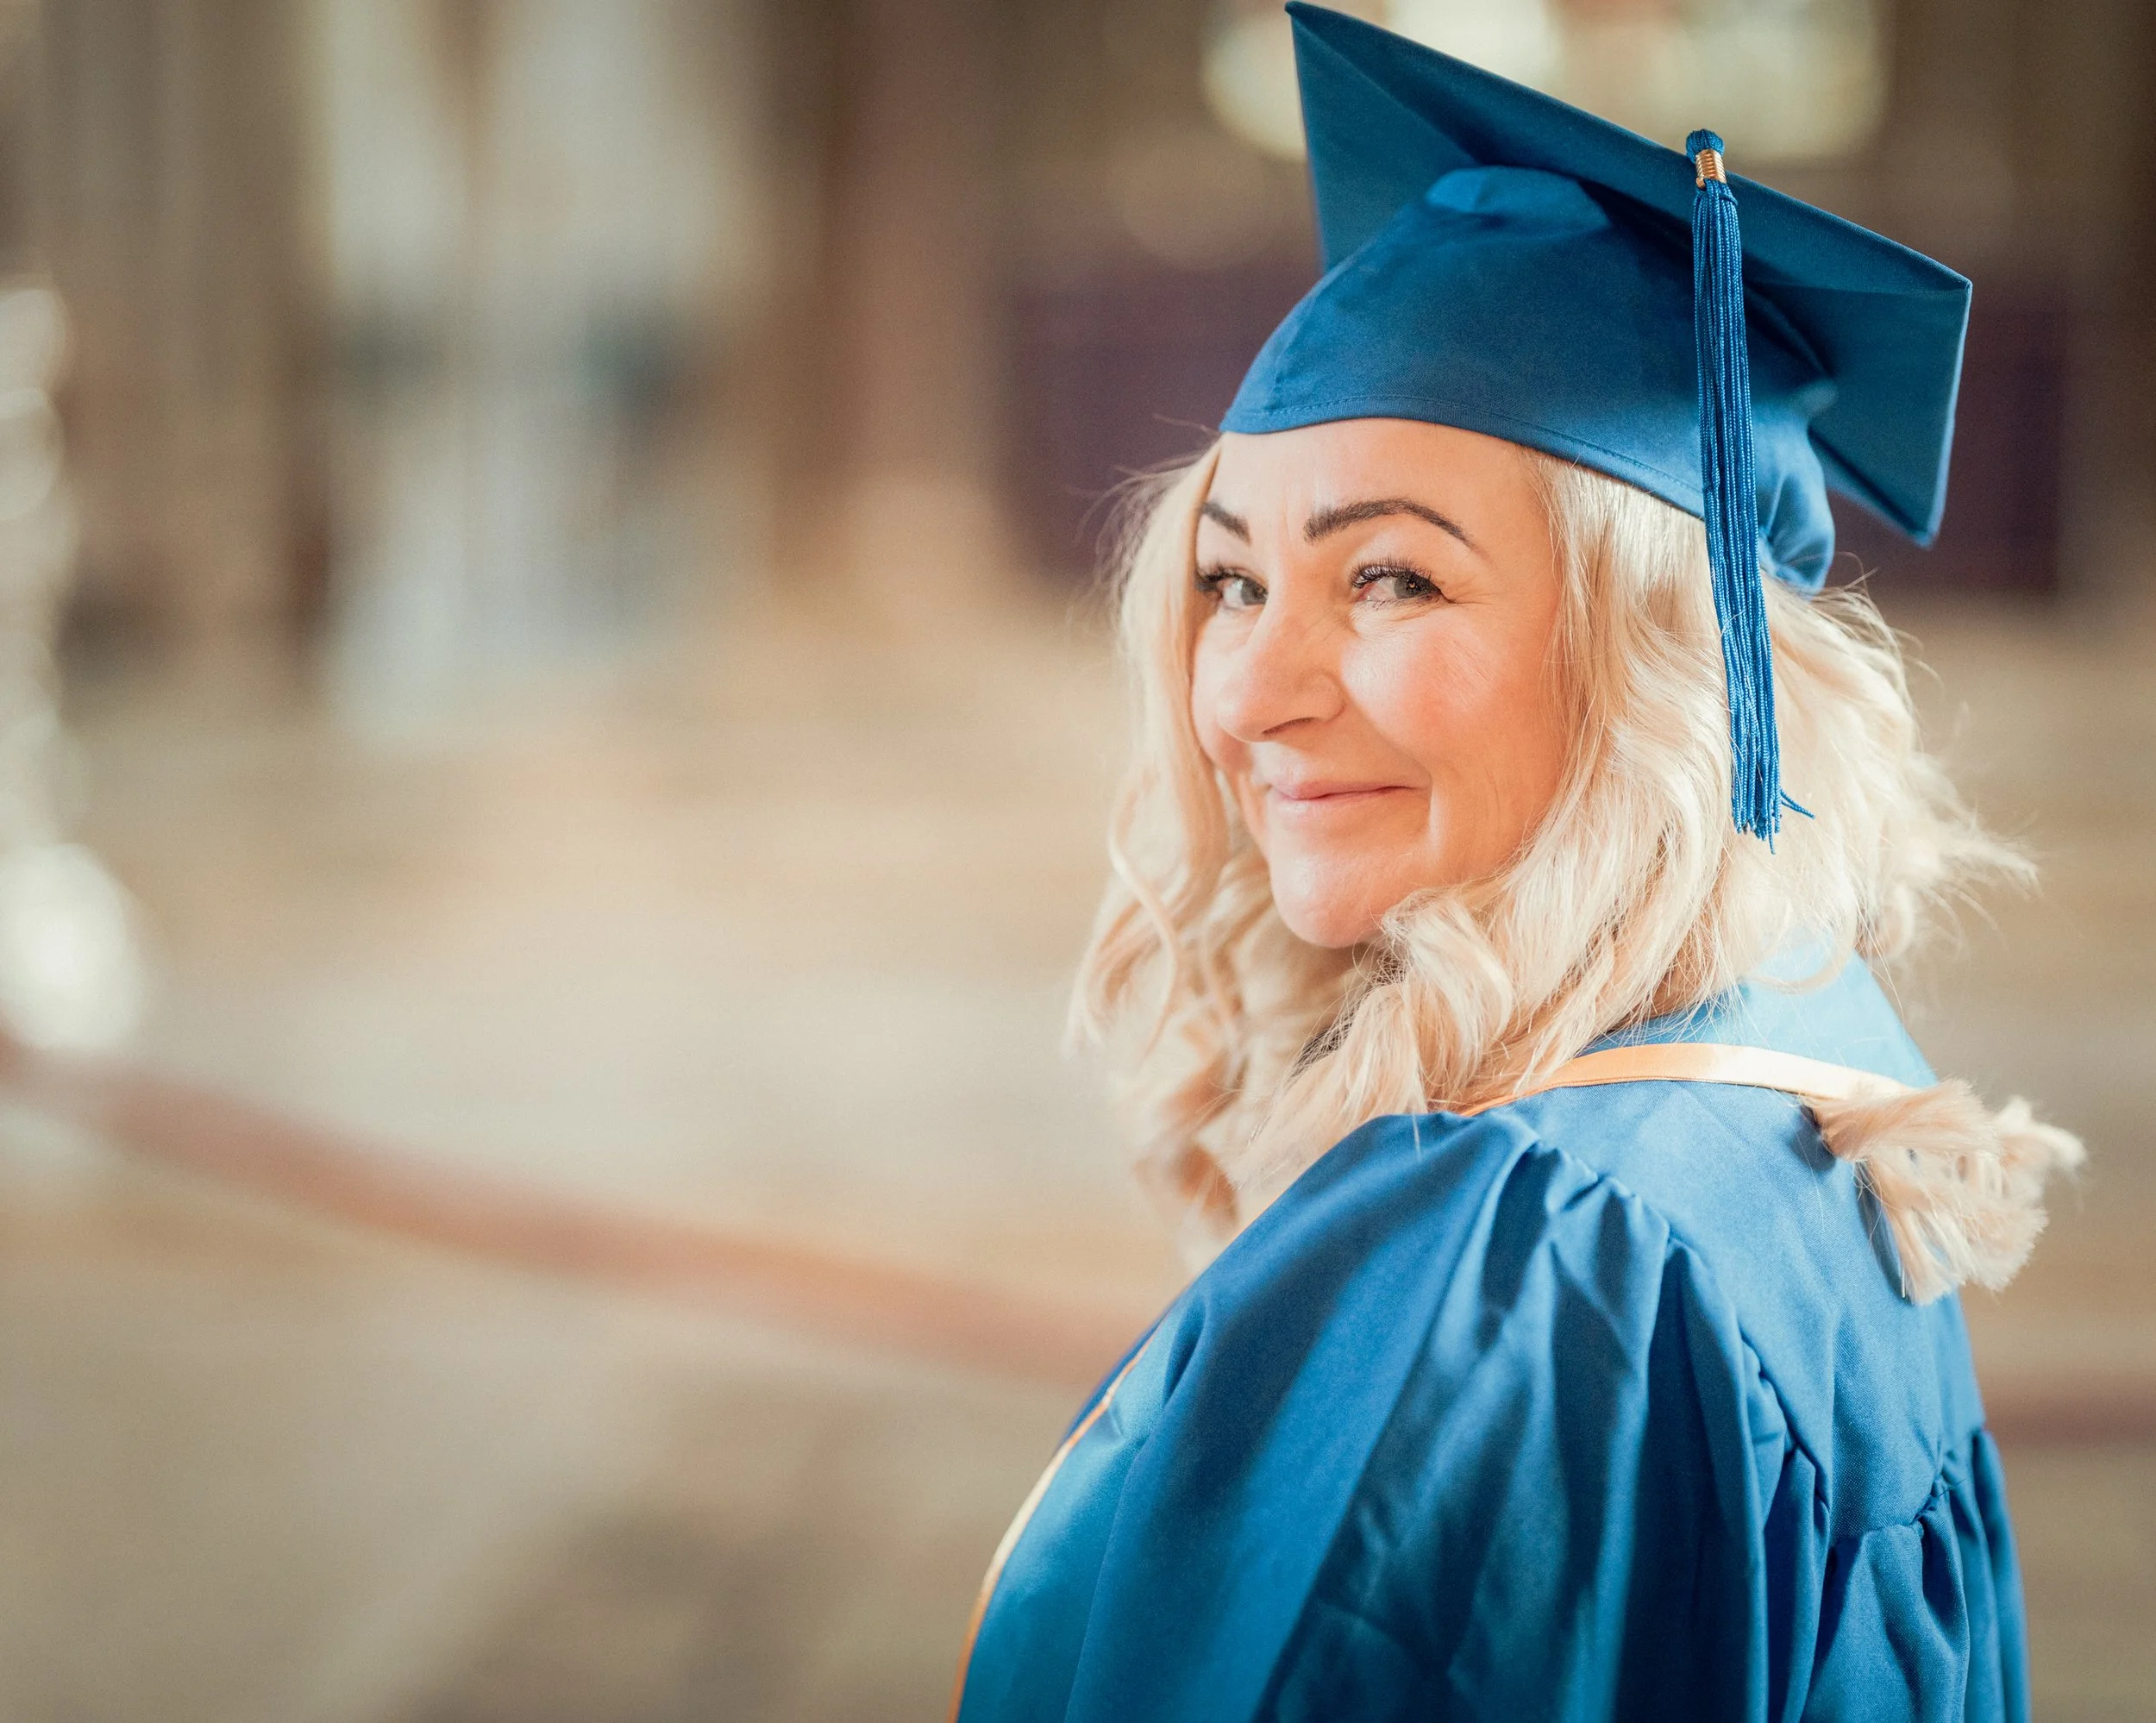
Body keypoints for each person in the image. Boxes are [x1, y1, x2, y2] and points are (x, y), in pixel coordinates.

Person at [950, 7, 2082, 1720]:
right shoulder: (1800, 1080)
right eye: (1233, 581)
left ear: (1662, 661)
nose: (1245, 694)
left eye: (1388, 579)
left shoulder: (1540, 1253)